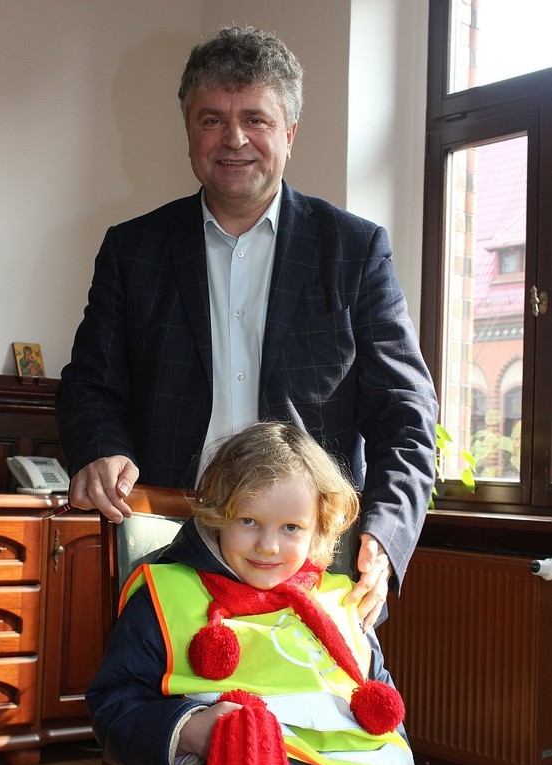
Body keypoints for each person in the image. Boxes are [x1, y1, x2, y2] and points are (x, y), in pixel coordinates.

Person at [55, 25, 438, 631]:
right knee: (168, 692)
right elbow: (89, 385)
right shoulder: (133, 251)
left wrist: (387, 537)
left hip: (310, 554)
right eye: (212, 120)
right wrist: (101, 447)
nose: (233, 139)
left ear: (290, 132)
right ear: (189, 131)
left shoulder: (355, 250)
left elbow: (405, 413)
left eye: (255, 119)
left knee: (312, 697)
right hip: (170, 545)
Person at [86, 422, 413, 765]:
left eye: (291, 528)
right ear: (217, 515)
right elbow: (113, 707)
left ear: (318, 527)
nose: (268, 546)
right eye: (248, 521)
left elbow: (390, 722)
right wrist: (191, 731)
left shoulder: (343, 601)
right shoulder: (164, 596)